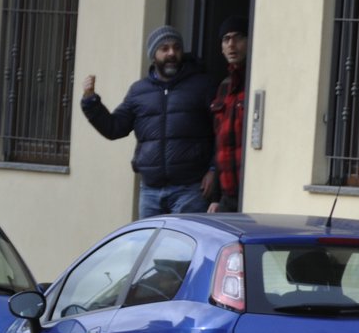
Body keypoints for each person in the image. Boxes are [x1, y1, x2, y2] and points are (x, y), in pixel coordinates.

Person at [80, 25, 216, 219]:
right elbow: (114, 128)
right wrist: (90, 102)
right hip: (150, 192)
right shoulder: (138, 91)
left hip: (190, 190)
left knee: (182, 249)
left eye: (176, 48)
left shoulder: (202, 85)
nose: (171, 53)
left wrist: (213, 170)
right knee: (154, 249)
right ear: (153, 55)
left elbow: (221, 132)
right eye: (164, 48)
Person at [208, 16, 249, 213]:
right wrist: (216, 198)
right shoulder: (224, 86)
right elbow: (220, 145)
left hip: (251, 192)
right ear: (221, 48)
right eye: (226, 39)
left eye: (238, 37)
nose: (232, 45)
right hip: (227, 196)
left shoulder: (256, 80)